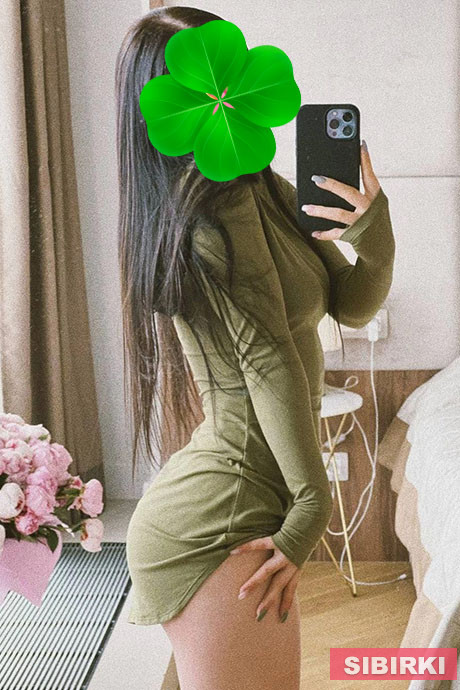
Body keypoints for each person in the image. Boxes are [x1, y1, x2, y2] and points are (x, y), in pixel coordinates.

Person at [116, 7, 396, 690]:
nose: (231, 95)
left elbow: (351, 303)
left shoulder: (261, 186)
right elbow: (267, 360)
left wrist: (374, 227)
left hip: (245, 505)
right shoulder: (205, 222)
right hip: (221, 522)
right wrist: (312, 504)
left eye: (233, 75)